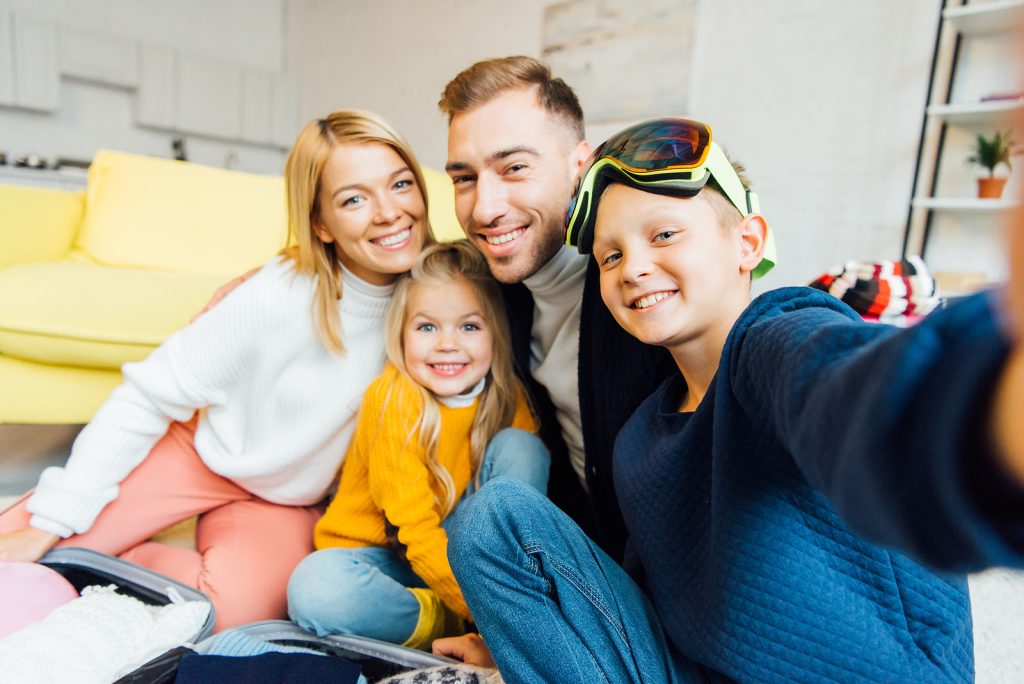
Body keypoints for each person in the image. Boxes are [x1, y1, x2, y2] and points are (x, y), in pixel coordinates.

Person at [439, 118, 1024, 681]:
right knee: (492, 519)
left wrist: (987, 401)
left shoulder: (775, 338)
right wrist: (546, 644)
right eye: (611, 255)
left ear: (749, 242)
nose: (634, 267)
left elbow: (860, 393)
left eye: (664, 234)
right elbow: (646, 612)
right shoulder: (643, 437)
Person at [0, 109, 432, 631]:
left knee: (234, 614)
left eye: (401, 184)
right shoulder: (275, 295)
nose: (390, 212)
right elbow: (147, 397)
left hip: (285, 498)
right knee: (27, 547)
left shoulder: (438, 298)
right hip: (198, 453)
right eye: (354, 199)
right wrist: (53, 522)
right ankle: (80, 545)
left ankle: (117, 561)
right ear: (321, 224)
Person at [437, 56, 777, 561]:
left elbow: (769, 344)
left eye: (514, 168)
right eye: (464, 179)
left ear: (580, 167)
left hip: (683, 576)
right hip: (591, 560)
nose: (484, 208)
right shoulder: (486, 290)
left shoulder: (650, 290)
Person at [286, 241, 549, 650]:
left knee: (524, 447)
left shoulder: (505, 395)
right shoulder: (393, 399)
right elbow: (414, 532)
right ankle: (443, 622)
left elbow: (518, 508)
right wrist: (481, 615)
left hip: (469, 559)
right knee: (315, 587)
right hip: (388, 559)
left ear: (495, 332)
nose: (447, 343)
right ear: (401, 333)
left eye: (469, 326)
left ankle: (511, 600)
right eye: (427, 327)